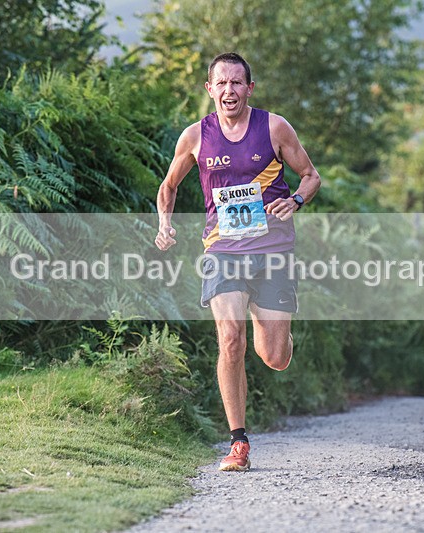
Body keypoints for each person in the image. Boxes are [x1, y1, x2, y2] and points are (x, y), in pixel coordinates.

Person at [154, 52, 321, 471]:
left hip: (272, 250)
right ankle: (238, 443)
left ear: (250, 87)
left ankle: (280, 338)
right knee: (230, 339)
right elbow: (168, 186)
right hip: (222, 251)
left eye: (236, 83)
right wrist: (165, 224)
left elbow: (311, 175)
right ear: (210, 89)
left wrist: (296, 200)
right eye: (221, 83)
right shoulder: (195, 137)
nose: (229, 90)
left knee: (274, 356)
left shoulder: (274, 127)